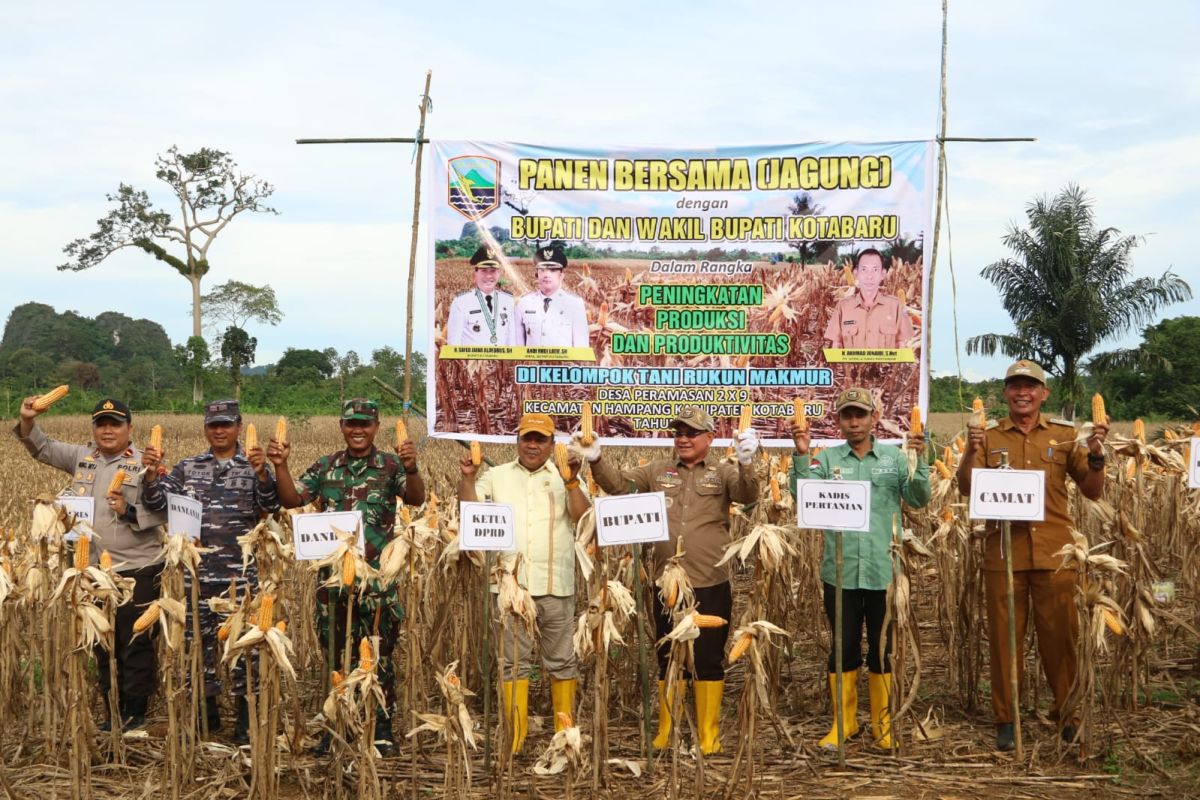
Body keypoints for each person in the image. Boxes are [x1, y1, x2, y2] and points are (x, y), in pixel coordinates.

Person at [582, 407, 759, 755]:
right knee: (668, 655)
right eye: (678, 431)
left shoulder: (724, 473)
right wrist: (597, 459)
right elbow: (619, 485)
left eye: (692, 432)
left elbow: (747, 495)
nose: (683, 438)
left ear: (709, 438)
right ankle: (667, 729)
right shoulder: (656, 471)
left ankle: (708, 734)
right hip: (666, 585)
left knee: (707, 658)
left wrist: (748, 463)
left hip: (709, 580)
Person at [956, 360, 1108, 751]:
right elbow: (966, 488)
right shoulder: (987, 437)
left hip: (1055, 554)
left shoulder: (1064, 435)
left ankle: (1068, 715)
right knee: (1006, 641)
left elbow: (1092, 491)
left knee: (1061, 639)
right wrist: (970, 453)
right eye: (1014, 386)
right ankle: (1007, 719)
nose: (1022, 393)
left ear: (1044, 393)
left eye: (1030, 386)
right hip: (1003, 553)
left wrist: (1096, 456)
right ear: (1005, 393)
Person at [269, 398, 426, 756]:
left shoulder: (389, 466)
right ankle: (337, 726)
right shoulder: (326, 467)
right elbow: (293, 499)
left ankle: (381, 729)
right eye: (351, 423)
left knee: (379, 657)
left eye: (365, 424)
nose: (358, 429)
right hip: (333, 582)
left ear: (375, 427)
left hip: (377, 582)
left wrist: (412, 468)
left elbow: (416, 499)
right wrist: (281, 465)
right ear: (341, 426)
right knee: (337, 657)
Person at [788, 387, 930, 750]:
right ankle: (844, 722)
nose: (854, 421)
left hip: (885, 569)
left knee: (884, 650)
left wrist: (918, 460)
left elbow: (917, 499)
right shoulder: (825, 458)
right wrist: (801, 456)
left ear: (874, 418)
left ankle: (883, 724)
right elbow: (804, 496)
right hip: (841, 571)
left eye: (860, 414)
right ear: (839, 421)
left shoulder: (894, 459)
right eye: (847, 415)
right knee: (843, 647)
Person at [13, 397, 166, 729]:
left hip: (136, 567)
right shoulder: (82, 459)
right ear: (94, 428)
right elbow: (41, 447)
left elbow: (165, 511)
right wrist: (27, 419)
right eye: (101, 424)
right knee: (102, 644)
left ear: (129, 428)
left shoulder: (146, 464)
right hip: (92, 570)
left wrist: (127, 511)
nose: (107, 430)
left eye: (115, 424)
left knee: (135, 643)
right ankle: (112, 712)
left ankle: (133, 715)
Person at [141, 399, 279, 743]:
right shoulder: (188, 467)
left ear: (238, 426)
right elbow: (157, 502)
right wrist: (149, 473)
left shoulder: (254, 466)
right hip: (196, 578)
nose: (220, 430)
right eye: (214, 425)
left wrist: (263, 473)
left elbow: (270, 506)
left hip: (240, 578)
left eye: (227, 424)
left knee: (244, 650)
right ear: (205, 427)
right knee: (197, 650)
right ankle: (206, 718)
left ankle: (247, 723)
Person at [457, 412, 589, 753]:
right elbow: (472, 513)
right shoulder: (496, 476)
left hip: (555, 582)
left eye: (540, 439)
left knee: (561, 660)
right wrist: (468, 479)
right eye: (527, 438)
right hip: (509, 586)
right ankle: (516, 734)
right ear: (517, 440)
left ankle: (565, 733)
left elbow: (584, 518)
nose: (532, 445)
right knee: (514, 662)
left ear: (551, 444)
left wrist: (572, 481)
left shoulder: (566, 475)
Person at [823, 248, 914, 350]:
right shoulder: (842, 306)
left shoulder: (896, 306)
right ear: (856, 274)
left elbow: (903, 345)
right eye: (864, 270)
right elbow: (836, 345)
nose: (869, 276)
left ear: (883, 274)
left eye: (875, 270)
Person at [514, 244, 590, 348]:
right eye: (542, 270)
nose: (547, 274)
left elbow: (582, 348)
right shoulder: (524, 303)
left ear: (561, 275)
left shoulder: (575, 304)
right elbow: (518, 347)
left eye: (553, 270)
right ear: (536, 274)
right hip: (531, 363)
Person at [446, 244, 517, 346]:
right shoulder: (461, 302)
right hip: (473, 361)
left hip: (501, 361)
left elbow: (512, 341)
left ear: (499, 274)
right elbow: (453, 344)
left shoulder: (508, 300)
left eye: (493, 271)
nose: (488, 276)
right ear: (474, 274)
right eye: (483, 271)